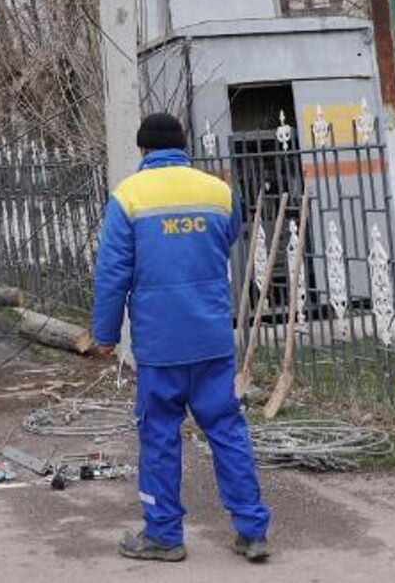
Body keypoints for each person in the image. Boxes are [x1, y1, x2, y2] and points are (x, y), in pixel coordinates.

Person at [93, 112, 272, 564]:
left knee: (159, 436)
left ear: (143, 150)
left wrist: (105, 334)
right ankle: (252, 530)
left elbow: (113, 273)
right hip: (212, 339)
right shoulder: (217, 192)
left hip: (160, 345)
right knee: (227, 430)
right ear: (182, 146)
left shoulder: (129, 197)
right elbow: (229, 237)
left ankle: (164, 535)